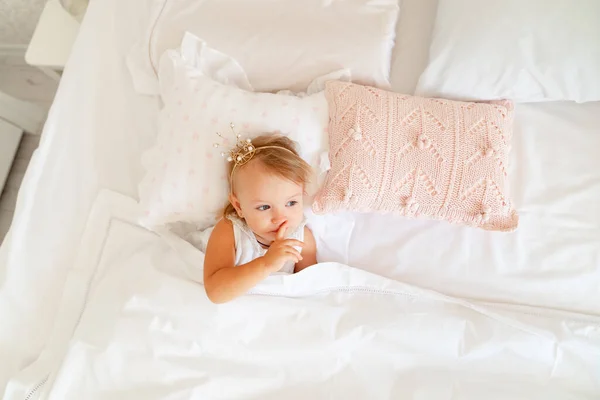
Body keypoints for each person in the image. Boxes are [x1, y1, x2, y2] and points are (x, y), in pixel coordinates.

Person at [204, 133, 317, 303]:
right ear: (239, 206)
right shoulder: (229, 230)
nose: (279, 217)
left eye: (291, 203)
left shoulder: (302, 240)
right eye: (264, 207)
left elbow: (311, 291)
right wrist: (266, 264)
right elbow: (216, 292)